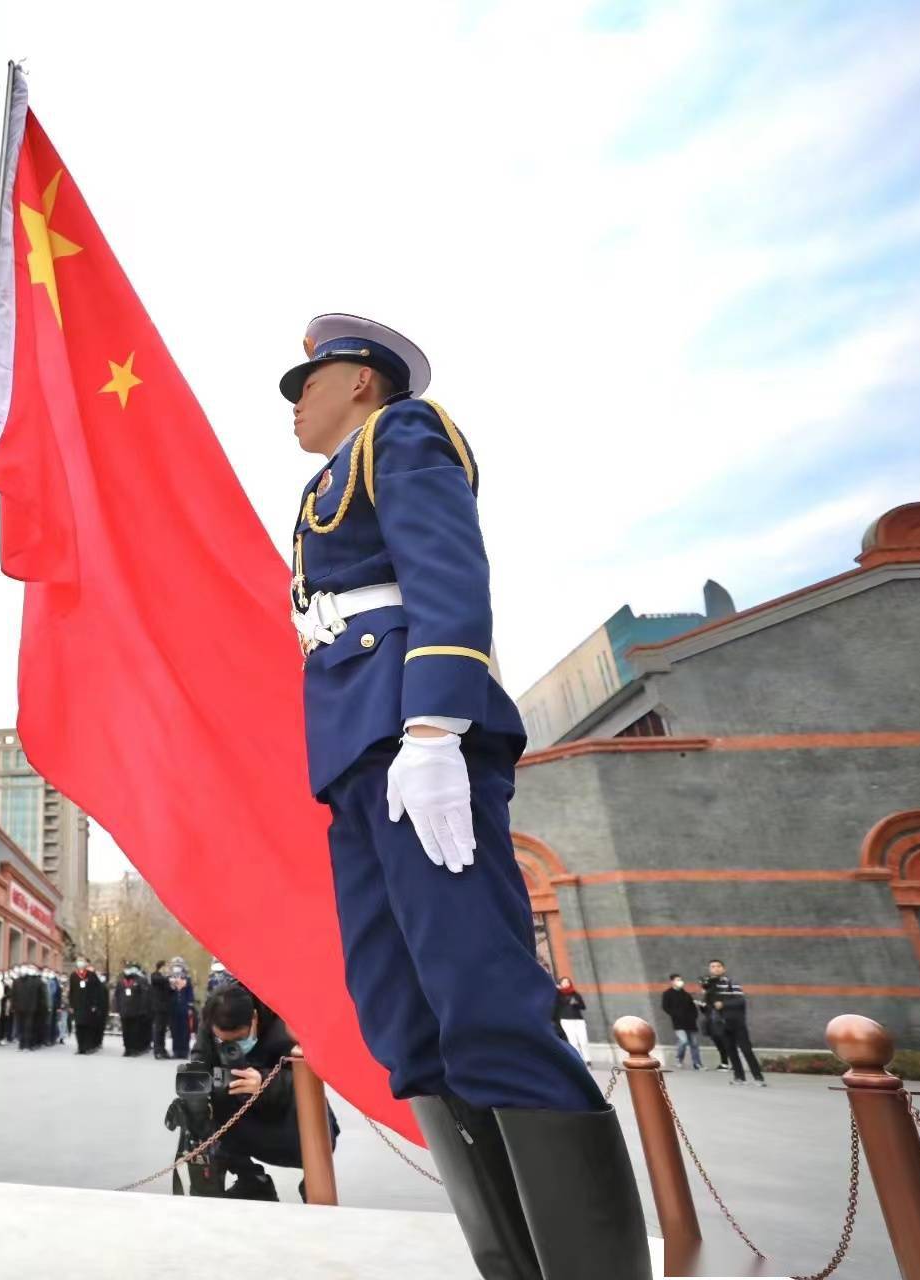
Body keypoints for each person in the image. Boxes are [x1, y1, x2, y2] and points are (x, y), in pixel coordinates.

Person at [281, 313, 648, 1277]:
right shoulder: (324, 481)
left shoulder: (403, 433)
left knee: (483, 999)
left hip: (413, 729)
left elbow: (449, 576)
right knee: (402, 1016)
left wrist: (435, 727)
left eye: (306, 382)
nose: (294, 401)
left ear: (361, 381)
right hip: (359, 751)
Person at [184, 983, 336, 1201]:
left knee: (305, 1105)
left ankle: (316, 1186)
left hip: (290, 1126)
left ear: (254, 1018)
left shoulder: (287, 1021)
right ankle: (252, 1181)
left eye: (238, 1040)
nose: (230, 1047)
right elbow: (199, 1062)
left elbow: (314, 1077)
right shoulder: (211, 1020)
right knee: (205, 1100)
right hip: (244, 1122)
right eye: (223, 1042)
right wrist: (193, 1098)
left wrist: (265, 1083)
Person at [703, 959, 766, 1086]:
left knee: (746, 1049)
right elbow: (709, 1006)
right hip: (721, 1023)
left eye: (718, 966)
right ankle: (739, 1077)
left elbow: (740, 1001)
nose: (715, 969)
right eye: (712, 967)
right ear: (710, 969)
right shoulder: (709, 986)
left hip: (736, 1022)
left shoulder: (732, 983)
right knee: (731, 1050)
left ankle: (758, 1078)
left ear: (723, 969)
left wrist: (723, 1004)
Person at [662, 974, 704, 1071]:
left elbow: (692, 1007)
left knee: (694, 1043)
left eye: (680, 979)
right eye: (677, 980)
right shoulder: (667, 994)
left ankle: (697, 1063)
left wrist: (694, 1016)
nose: (680, 981)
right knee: (684, 1041)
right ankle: (679, 1058)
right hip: (678, 1023)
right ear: (672, 982)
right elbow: (665, 1007)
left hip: (690, 1022)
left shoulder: (686, 994)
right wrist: (675, 1014)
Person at [72, 959, 108, 1054]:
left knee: (88, 1027)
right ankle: (80, 1047)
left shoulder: (91, 975)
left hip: (89, 1006)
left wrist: (94, 1004)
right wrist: (71, 1005)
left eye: (82, 961)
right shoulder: (74, 975)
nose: (80, 963)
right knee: (79, 1027)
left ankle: (87, 1047)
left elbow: (97, 991)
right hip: (78, 1006)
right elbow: (71, 991)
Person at [552, 977, 591, 1066]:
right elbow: (557, 1003)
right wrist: (557, 990)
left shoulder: (575, 994)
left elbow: (583, 1006)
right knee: (573, 1042)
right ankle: (579, 1060)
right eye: (564, 982)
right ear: (560, 984)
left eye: (568, 982)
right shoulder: (559, 995)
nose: (566, 984)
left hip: (578, 1020)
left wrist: (576, 1003)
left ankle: (588, 1060)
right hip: (566, 1020)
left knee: (583, 1041)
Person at [115, 964, 150, 1057]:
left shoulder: (139, 981)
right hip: (124, 1011)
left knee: (135, 1031)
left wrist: (142, 1009)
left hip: (136, 1011)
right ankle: (127, 1048)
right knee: (126, 1031)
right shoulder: (121, 981)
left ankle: (134, 1049)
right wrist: (118, 1008)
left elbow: (144, 996)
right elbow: (117, 995)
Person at [149, 961, 175, 1060]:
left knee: (163, 1029)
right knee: (158, 1029)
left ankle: (162, 1049)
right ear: (161, 967)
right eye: (166, 966)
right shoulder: (155, 975)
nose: (168, 968)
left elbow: (169, 991)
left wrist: (173, 988)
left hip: (165, 1007)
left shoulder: (165, 978)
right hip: (158, 1007)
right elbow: (158, 980)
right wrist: (169, 979)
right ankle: (157, 1050)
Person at [170, 970, 196, 1059]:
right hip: (174, 1009)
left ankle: (184, 1051)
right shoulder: (171, 981)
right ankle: (176, 1051)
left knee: (185, 1031)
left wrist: (190, 1007)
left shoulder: (187, 981)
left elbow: (190, 995)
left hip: (184, 1009)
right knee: (175, 1031)